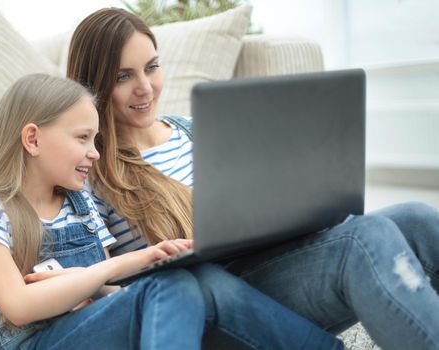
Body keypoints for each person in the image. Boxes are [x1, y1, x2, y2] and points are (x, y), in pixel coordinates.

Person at [66, 7, 439, 350]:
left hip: (274, 268)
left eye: (151, 67)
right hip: (221, 302)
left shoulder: (201, 129)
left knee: (418, 220)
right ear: (94, 88)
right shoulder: (90, 171)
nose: (145, 87)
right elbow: (101, 289)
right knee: (364, 238)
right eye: (123, 76)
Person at [0, 73, 343, 350]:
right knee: (168, 286)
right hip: (35, 341)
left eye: (96, 139)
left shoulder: (80, 205)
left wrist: (130, 272)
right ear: (32, 138)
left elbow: (105, 299)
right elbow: (19, 306)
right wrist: (115, 266)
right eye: (82, 138)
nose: (94, 153)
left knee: (187, 277)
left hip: (86, 331)